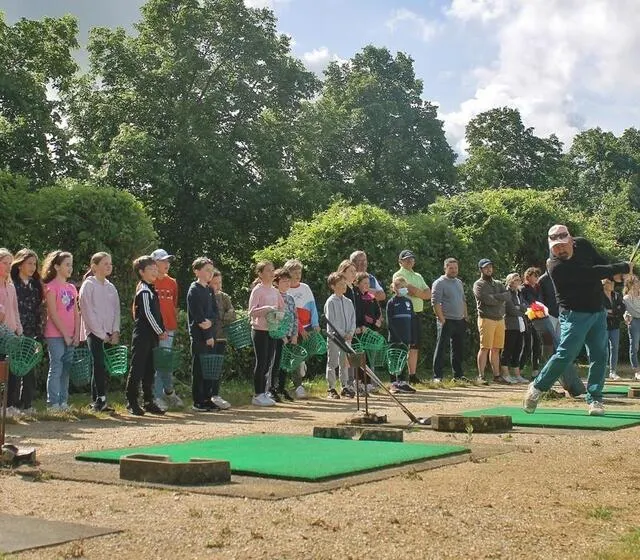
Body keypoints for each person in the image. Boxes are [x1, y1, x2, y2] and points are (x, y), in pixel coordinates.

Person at [523, 225, 631, 416]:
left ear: (571, 240)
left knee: (600, 356)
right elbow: (589, 274)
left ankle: (595, 398)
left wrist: (617, 275)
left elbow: (601, 263)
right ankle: (538, 387)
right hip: (573, 315)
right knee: (566, 354)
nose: (560, 250)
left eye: (563, 245)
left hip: (597, 311)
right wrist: (618, 268)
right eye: (555, 247)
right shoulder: (554, 265)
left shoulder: (583, 245)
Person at [125, 256, 168, 416]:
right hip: (143, 335)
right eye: (151, 269)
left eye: (155, 269)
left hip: (152, 337)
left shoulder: (151, 289)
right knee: (138, 367)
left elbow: (158, 314)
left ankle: (148, 401)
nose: (155, 271)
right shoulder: (143, 290)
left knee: (150, 368)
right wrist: (160, 331)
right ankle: (131, 401)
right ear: (141, 272)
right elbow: (148, 314)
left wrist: (160, 329)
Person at [78, 252, 121, 413]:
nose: (109, 266)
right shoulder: (88, 285)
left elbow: (116, 310)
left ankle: (97, 399)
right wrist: (102, 334)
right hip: (94, 333)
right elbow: (87, 312)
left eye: (110, 263)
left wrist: (115, 331)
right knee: (98, 363)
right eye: (105, 263)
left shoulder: (111, 287)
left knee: (101, 366)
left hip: (109, 333)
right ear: (94, 267)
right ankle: (100, 399)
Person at [42, 250, 80, 412]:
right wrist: (64, 334)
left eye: (71, 265)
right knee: (56, 366)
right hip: (55, 335)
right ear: (57, 266)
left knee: (66, 368)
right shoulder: (50, 287)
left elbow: (76, 312)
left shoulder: (71, 288)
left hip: (71, 335)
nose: (70, 268)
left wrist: (77, 334)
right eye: (67, 265)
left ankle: (63, 402)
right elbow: (53, 313)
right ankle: (53, 403)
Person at [149, 249, 184, 411]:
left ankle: (167, 392)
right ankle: (157, 396)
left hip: (169, 329)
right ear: (154, 263)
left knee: (165, 364)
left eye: (168, 261)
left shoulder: (173, 282)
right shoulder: (149, 282)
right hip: (152, 330)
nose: (166, 264)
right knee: (156, 365)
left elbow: (174, 306)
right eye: (163, 261)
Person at [9, 249, 43, 415]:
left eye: (34, 264)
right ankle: (11, 405)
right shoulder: (12, 284)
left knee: (30, 368)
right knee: (14, 368)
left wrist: (38, 333)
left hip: (31, 332)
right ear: (20, 264)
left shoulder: (36, 285)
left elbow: (38, 311)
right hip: (15, 331)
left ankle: (27, 404)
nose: (32, 267)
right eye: (29, 263)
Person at [187, 257, 222, 412]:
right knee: (199, 369)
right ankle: (198, 401)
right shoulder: (194, 290)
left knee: (209, 368)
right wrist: (207, 334)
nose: (209, 274)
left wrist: (211, 323)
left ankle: (208, 398)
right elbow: (198, 315)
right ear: (197, 271)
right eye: (206, 270)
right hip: (200, 337)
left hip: (210, 335)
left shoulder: (209, 290)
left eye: (211, 270)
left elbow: (215, 312)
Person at [248, 261, 284, 407]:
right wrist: (266, 309)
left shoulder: (275, 291)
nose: (271, 273)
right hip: (259, 330)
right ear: (260, 274)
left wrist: (278, 315)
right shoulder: (257, 290)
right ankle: (258, 394)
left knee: (269, 361)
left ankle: (265, 391)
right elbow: (251, 312)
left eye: (272, 270)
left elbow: (282, 308)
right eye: (268, 270)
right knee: (261, 361)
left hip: (272, 330)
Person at [393, 250, 431, 385]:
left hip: (417, 313)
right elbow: (405, 290)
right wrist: (418, 292)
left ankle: (412, 375)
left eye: (411, 259)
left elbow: (428, 294)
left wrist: (416, 291)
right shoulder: (398, 274)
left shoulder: (418, 276)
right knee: (403, 345)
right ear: (400, 261)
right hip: (404, 314)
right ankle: (400, 376)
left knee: (415, 345)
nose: (409, 261)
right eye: (406, 259)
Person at [283, 259, 320, 398]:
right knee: (295, 357)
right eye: (295, 272)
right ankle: (298, 386)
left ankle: (302, 363)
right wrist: (299, 330)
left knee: (311, 350)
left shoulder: (305, 288)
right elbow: (292, 314)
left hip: (308, 326)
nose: (298, 275)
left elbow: (312, 306)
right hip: (293, 329)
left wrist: (315, 324)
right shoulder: (286, 290)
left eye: (300, 272)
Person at [473, 258, 511, 384]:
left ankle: (497, 375)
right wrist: (498, 299)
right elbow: (486, 300)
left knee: (496, 349)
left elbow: (508, 296)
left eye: (490, 267)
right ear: (481, 269)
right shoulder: (479, 284)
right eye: (485, 267)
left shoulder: (498, 283)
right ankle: (481, 376)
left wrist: (495, 298)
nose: (488, 269)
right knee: (484, 348)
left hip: (500, 319)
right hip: (486, 318)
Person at [431, 258, 468, 382]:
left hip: (459, 320)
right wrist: (442, 319)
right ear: (445, 268)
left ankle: (458, 375)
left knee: (458, 349)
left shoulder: (458, 282)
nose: (453, 270)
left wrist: (465, 316)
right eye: (451, 268)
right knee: (441, 348)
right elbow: (436, 303)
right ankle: (437, 376)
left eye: (455, 268)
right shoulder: (439, 283)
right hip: (446, 320)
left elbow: (463, 300)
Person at [324, 272, 356, 399]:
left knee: (345, 362)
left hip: (347, 338)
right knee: (332, 361)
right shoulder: (330, 302)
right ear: (333, 286)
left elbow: (353, 319)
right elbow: (331, 321)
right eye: (340, 284)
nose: (343, 286)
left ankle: (345, 386)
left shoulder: (348, 302)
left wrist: (350, 333)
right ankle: (331, 387)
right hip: (334, 337)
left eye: (344, 284)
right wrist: (342, 334)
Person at [268, 268, 298, 402]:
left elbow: (295, 317)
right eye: (284, 281)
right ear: (276, 282)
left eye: (288, 281)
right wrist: (281, 335)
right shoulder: (274, 296)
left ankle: (281, 386)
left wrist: (295, 334)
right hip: (278, 336)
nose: (287, 283)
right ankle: (272, 388)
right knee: (275, 362)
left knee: (285, 363)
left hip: (290, 336)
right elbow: (274, 318)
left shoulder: (290, 298)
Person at [0, 248, 24, 417]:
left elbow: (15, 310)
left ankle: (9, 406)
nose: (8, 267)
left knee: (12, 371)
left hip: (11, 334)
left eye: (10, 263)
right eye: (4, 263)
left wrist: (18, 328)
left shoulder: (10, 285)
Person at [208, 268, 234, 409]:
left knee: (217, 367)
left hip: (222, 338)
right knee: (208, 367)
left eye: (219, 283)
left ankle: (216, 393)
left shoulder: (224, 297)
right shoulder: (206, 295)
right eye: (215, 283)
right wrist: (220, 317)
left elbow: (231, 313)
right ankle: (207, 394)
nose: (218, 286)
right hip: (209, 338)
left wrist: (221, 317)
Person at [386, 276, 416, 393]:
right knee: (394, 359)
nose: (404, 289)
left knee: (403, 359)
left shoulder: (408, 302)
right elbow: (390, 322)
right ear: (395, 288)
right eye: (401, 287)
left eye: (405, 287)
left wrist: (412, 337)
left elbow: (412, 320)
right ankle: (393, 383)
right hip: (395, 337)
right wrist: (396, 336)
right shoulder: (391, 303)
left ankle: (402, 382)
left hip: (406, 336)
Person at [500, 273, 528, 384]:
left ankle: (517, 375)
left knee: (518, 350)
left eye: (518, 279)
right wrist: (521, 309)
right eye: (515, 280)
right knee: (508, 349)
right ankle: (505, 374)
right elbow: (511, 309)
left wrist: (520, 308)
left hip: (520, 325)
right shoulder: (507, 293)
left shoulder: (519, 293)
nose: (517, 281)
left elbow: (525, 307)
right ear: (510, 281)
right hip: (510, 325)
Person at [519, 267, 542, 377]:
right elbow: (523, 303)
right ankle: (520, 368)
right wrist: (532, 309)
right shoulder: (523, 288)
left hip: (538, 318)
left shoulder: (538, 288)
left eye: (538, 275)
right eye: (535, 275)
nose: (537, 278)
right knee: (527, 345)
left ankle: (535, 370)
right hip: (527, 319)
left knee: (537, 344)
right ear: (528, 277)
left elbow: (541, 301)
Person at [602, 278, 625, 380]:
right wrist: (610, 312)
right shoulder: (599, 295)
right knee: (603, 349)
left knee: (614, 348)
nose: (612, 284)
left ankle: (613, 372)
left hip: (615, 325)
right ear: (604, 284)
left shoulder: (616, 295)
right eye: (609, 283)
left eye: (612, 283)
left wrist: (613, 311)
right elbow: (601, 309)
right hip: (603, 325)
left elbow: (622, 307)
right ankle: (602, 371)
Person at [623, 275, 640, 380]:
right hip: (634, 321)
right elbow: (633, 311)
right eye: (637, 282)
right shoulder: (626, 298)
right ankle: (636, 370)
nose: (638, 283)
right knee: (634, 345)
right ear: (631, 284)